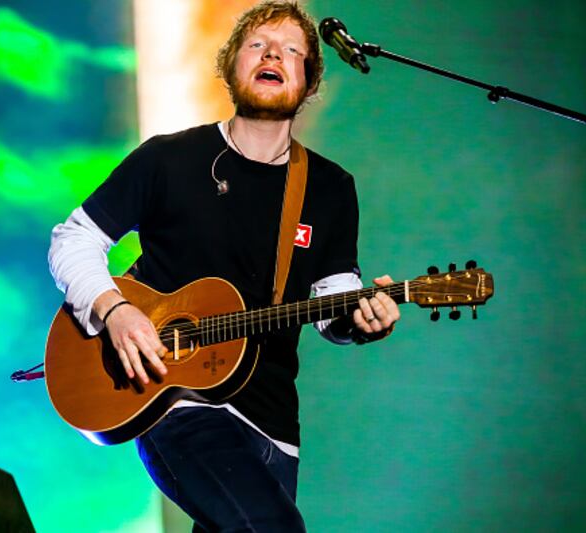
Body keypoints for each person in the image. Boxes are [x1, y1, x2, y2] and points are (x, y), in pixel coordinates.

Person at [48, 1, 400, 530]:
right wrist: (115, 311)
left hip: (275, 426)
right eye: (258, 45)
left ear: (308, 81)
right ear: (232, 65)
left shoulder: (330, 188)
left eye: (291, 50)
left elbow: (333, 301)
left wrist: (359, 319)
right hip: (180, 405)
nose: (272, 55)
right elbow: (74, 239)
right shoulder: (167, 159)